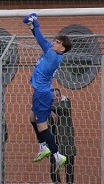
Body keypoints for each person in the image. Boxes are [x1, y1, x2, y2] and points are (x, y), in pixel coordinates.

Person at [22, 13, 71, 172]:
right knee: (32, 117)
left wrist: (36, 24)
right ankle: (43, 146)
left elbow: (40, 40)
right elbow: (40, 38)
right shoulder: (53, 52)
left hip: (43, 93)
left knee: (42, 126)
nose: (54, 42)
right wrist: (31, 26)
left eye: (57, 42)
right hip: (41, 92)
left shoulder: (52, 55)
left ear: (62, 48)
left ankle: (57, 154)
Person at [49, 88, 76, 184]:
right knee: (53, 166)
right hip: (54, 140)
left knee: (69, 165)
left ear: (61, 96)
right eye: (53, 96)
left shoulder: (66, 102)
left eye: (57, 95)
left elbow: (63, 108)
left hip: (66, 139)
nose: (55, 98)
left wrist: (48, 107)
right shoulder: (49, 108)